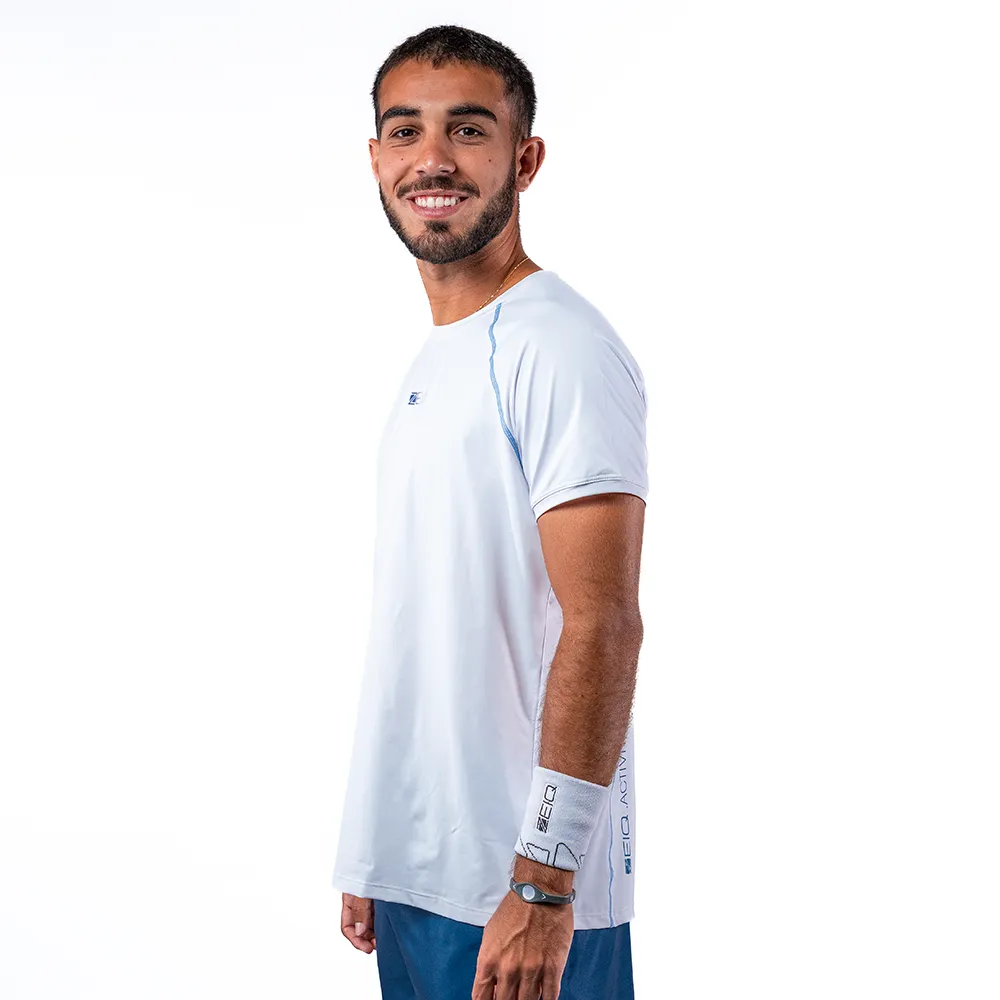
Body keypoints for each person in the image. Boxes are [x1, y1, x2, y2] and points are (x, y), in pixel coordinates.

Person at [332, 24, 649, 1000]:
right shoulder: (441, 357)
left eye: (467, 130)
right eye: (406, 131)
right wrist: (375, 840)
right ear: (375, 158)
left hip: (520, 890)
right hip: (424, 874)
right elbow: (424, 625)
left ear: (524, 159)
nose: (432, 159)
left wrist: (545, 880)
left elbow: (603, 623)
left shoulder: (554, 346)